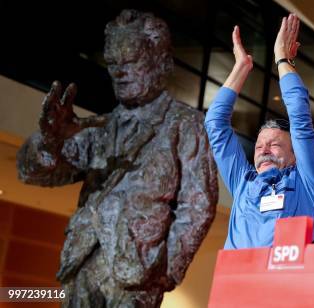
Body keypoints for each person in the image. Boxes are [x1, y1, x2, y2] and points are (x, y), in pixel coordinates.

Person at [16, 10, 218, 306]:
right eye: (112, 63)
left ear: (160, 61)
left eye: (131, 60)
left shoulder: (186, 124)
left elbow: (198, 205)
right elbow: (32, 172)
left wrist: (165, 272)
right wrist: (51, 142)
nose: (120, 72)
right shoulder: (101, 126)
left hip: (138, 271)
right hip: (82, 261)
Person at [204, 14, 314, 249]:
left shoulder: (308, 182)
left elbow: (300, 119)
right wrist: (240, 68)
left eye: (275, 145)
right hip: (236, 282)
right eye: (259, 146)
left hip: (286, 284)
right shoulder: (243, 182)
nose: (264, 151)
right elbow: (215, 124)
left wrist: (282, 59)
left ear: (295, 156)